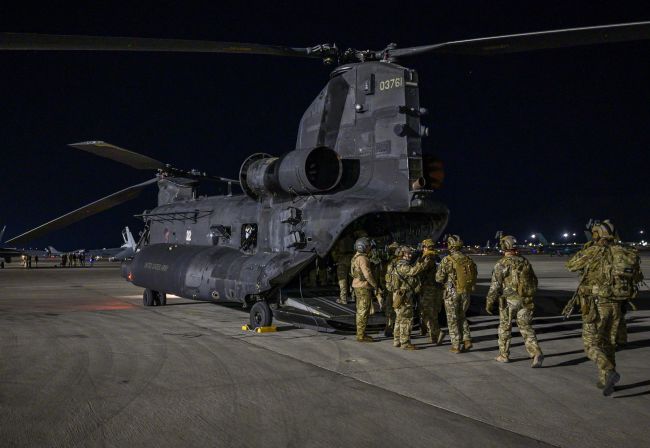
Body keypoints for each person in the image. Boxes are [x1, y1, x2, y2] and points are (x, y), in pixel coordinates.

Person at [567, 221, 643, 396]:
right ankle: (606, 381)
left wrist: (589, 250)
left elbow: (571, 265)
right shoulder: (625, 252)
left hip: (597, 305)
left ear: (597, 234)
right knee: (608, 343)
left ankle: (608, 371)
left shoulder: (594, 251)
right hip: (618, 305)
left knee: (590, 344)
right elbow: (637, 277)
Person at [485, 235, 544, 367]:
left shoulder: (501, 263)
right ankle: (536, 352)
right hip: (525, 300)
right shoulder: (524, 261)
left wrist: (489, 302)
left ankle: (503, 355)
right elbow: (534, 281)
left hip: (509, 301)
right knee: (526, 327)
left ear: (504, 246)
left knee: (505, 328)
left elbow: (495, 286)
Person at [436, 235, 477, 353]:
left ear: (450, 246)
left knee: (452, 319)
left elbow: (439, 278)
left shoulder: (447, 260)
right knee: (462, 316)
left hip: (452, 293)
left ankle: (456, 345)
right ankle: (467, 339)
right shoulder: (468, 259)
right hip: (465, 292)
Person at [390, 246, 422, 350]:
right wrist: (422, 263)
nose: (410, 255)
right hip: (404, 296)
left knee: (399, 319)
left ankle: (397, 340)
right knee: (406, 319)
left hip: (399, 295)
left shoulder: (398, 264)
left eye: (410, 253)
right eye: (407, 253)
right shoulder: (402, 265)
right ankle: (405, 343)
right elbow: (413, 271)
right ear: (402, 254)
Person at [414, 239, 445, 345]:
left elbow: (419, 270)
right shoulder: (437, 257)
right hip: (437, 288)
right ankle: (433, 337)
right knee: (433, 313)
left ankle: (437, 332)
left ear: (425, 247)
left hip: (428, 289)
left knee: (425, 313)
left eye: (423, 247)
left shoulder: (427, 257)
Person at [350, 237, 379, 342]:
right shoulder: (363, 258)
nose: (369, 248)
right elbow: (367, 274)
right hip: (363, 287)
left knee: (360, 310)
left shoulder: (356, 256)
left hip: (357, 286)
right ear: (362, 247)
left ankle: (361, 333)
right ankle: (361, 336)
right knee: (363, 312)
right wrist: (375, 285)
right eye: (368, 246)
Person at [382, 242, 400, 337]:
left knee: (391, 308)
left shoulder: (389, 261)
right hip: (395, 288)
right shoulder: (395, 261)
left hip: (390, 288)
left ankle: (389, 327)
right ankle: (393, 329)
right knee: (397, 309)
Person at [331, 233, 355, 304]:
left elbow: (334, 252)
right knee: (352, 279)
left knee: (342, 280)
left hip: (342, 260)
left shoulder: (339, 240)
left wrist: (335, 259)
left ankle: (343, 299)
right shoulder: (352, 240)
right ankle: (354, 296)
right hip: (352, 260)